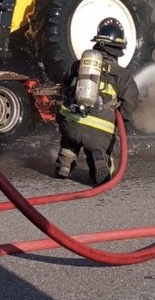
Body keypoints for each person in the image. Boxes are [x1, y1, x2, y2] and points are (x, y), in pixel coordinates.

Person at [54, 17, 140, 185]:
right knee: (100, 148)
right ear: (118, 49)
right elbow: (130, 103)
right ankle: (99, 158)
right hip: (99, 130)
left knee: (70, 141)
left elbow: (65, 83)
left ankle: (64, 162)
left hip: (70, 123)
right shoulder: (122, 74)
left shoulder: (78, 65)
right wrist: (124, 122)